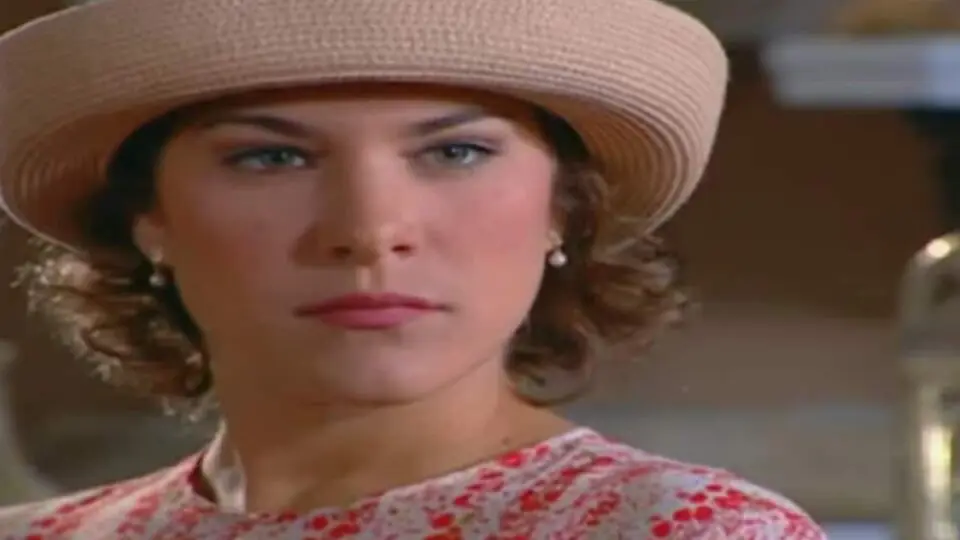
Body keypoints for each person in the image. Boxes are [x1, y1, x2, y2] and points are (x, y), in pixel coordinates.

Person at [0, 0, 827, 538]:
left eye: (455, 152)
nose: (369, 231)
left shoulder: (682, 530)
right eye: (271, 157)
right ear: (149, 218)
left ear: (564, 209)